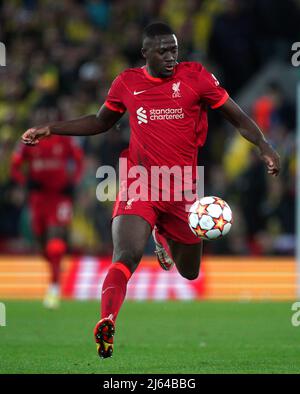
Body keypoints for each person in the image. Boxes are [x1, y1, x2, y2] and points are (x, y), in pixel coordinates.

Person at [21, 23, 280, 357]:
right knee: (125, 255)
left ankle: (162, 237)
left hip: (183, 190)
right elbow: (101, 122)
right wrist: (52, 129)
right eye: (163, 51)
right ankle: (107, 321)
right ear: (145, 53)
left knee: (189, 271)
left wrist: (264, 146)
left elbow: (238, 117)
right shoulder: (127, 83)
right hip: (139, 183)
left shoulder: (197, 77)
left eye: (174, 49)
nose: (171, 57)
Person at [11, 134, 83, 308]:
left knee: (55, 237)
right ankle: (56, 267)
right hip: (39, 199)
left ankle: (54, 287)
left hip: (60, 197)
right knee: (42, 244)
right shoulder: (29, 140)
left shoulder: (65, 140)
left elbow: (80, 161)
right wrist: (25, 183)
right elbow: (15, 166)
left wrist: (73, 182)